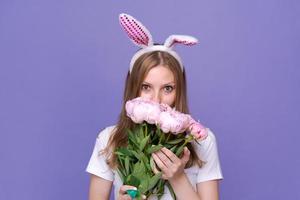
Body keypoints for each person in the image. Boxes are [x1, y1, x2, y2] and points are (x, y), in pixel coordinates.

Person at [86, 13, 223, 200]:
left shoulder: (202, 141)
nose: (156, 100)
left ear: (179, 90)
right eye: (146, 87)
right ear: (133, 88)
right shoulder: (109, 140)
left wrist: (178, 178)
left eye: (167, 88)